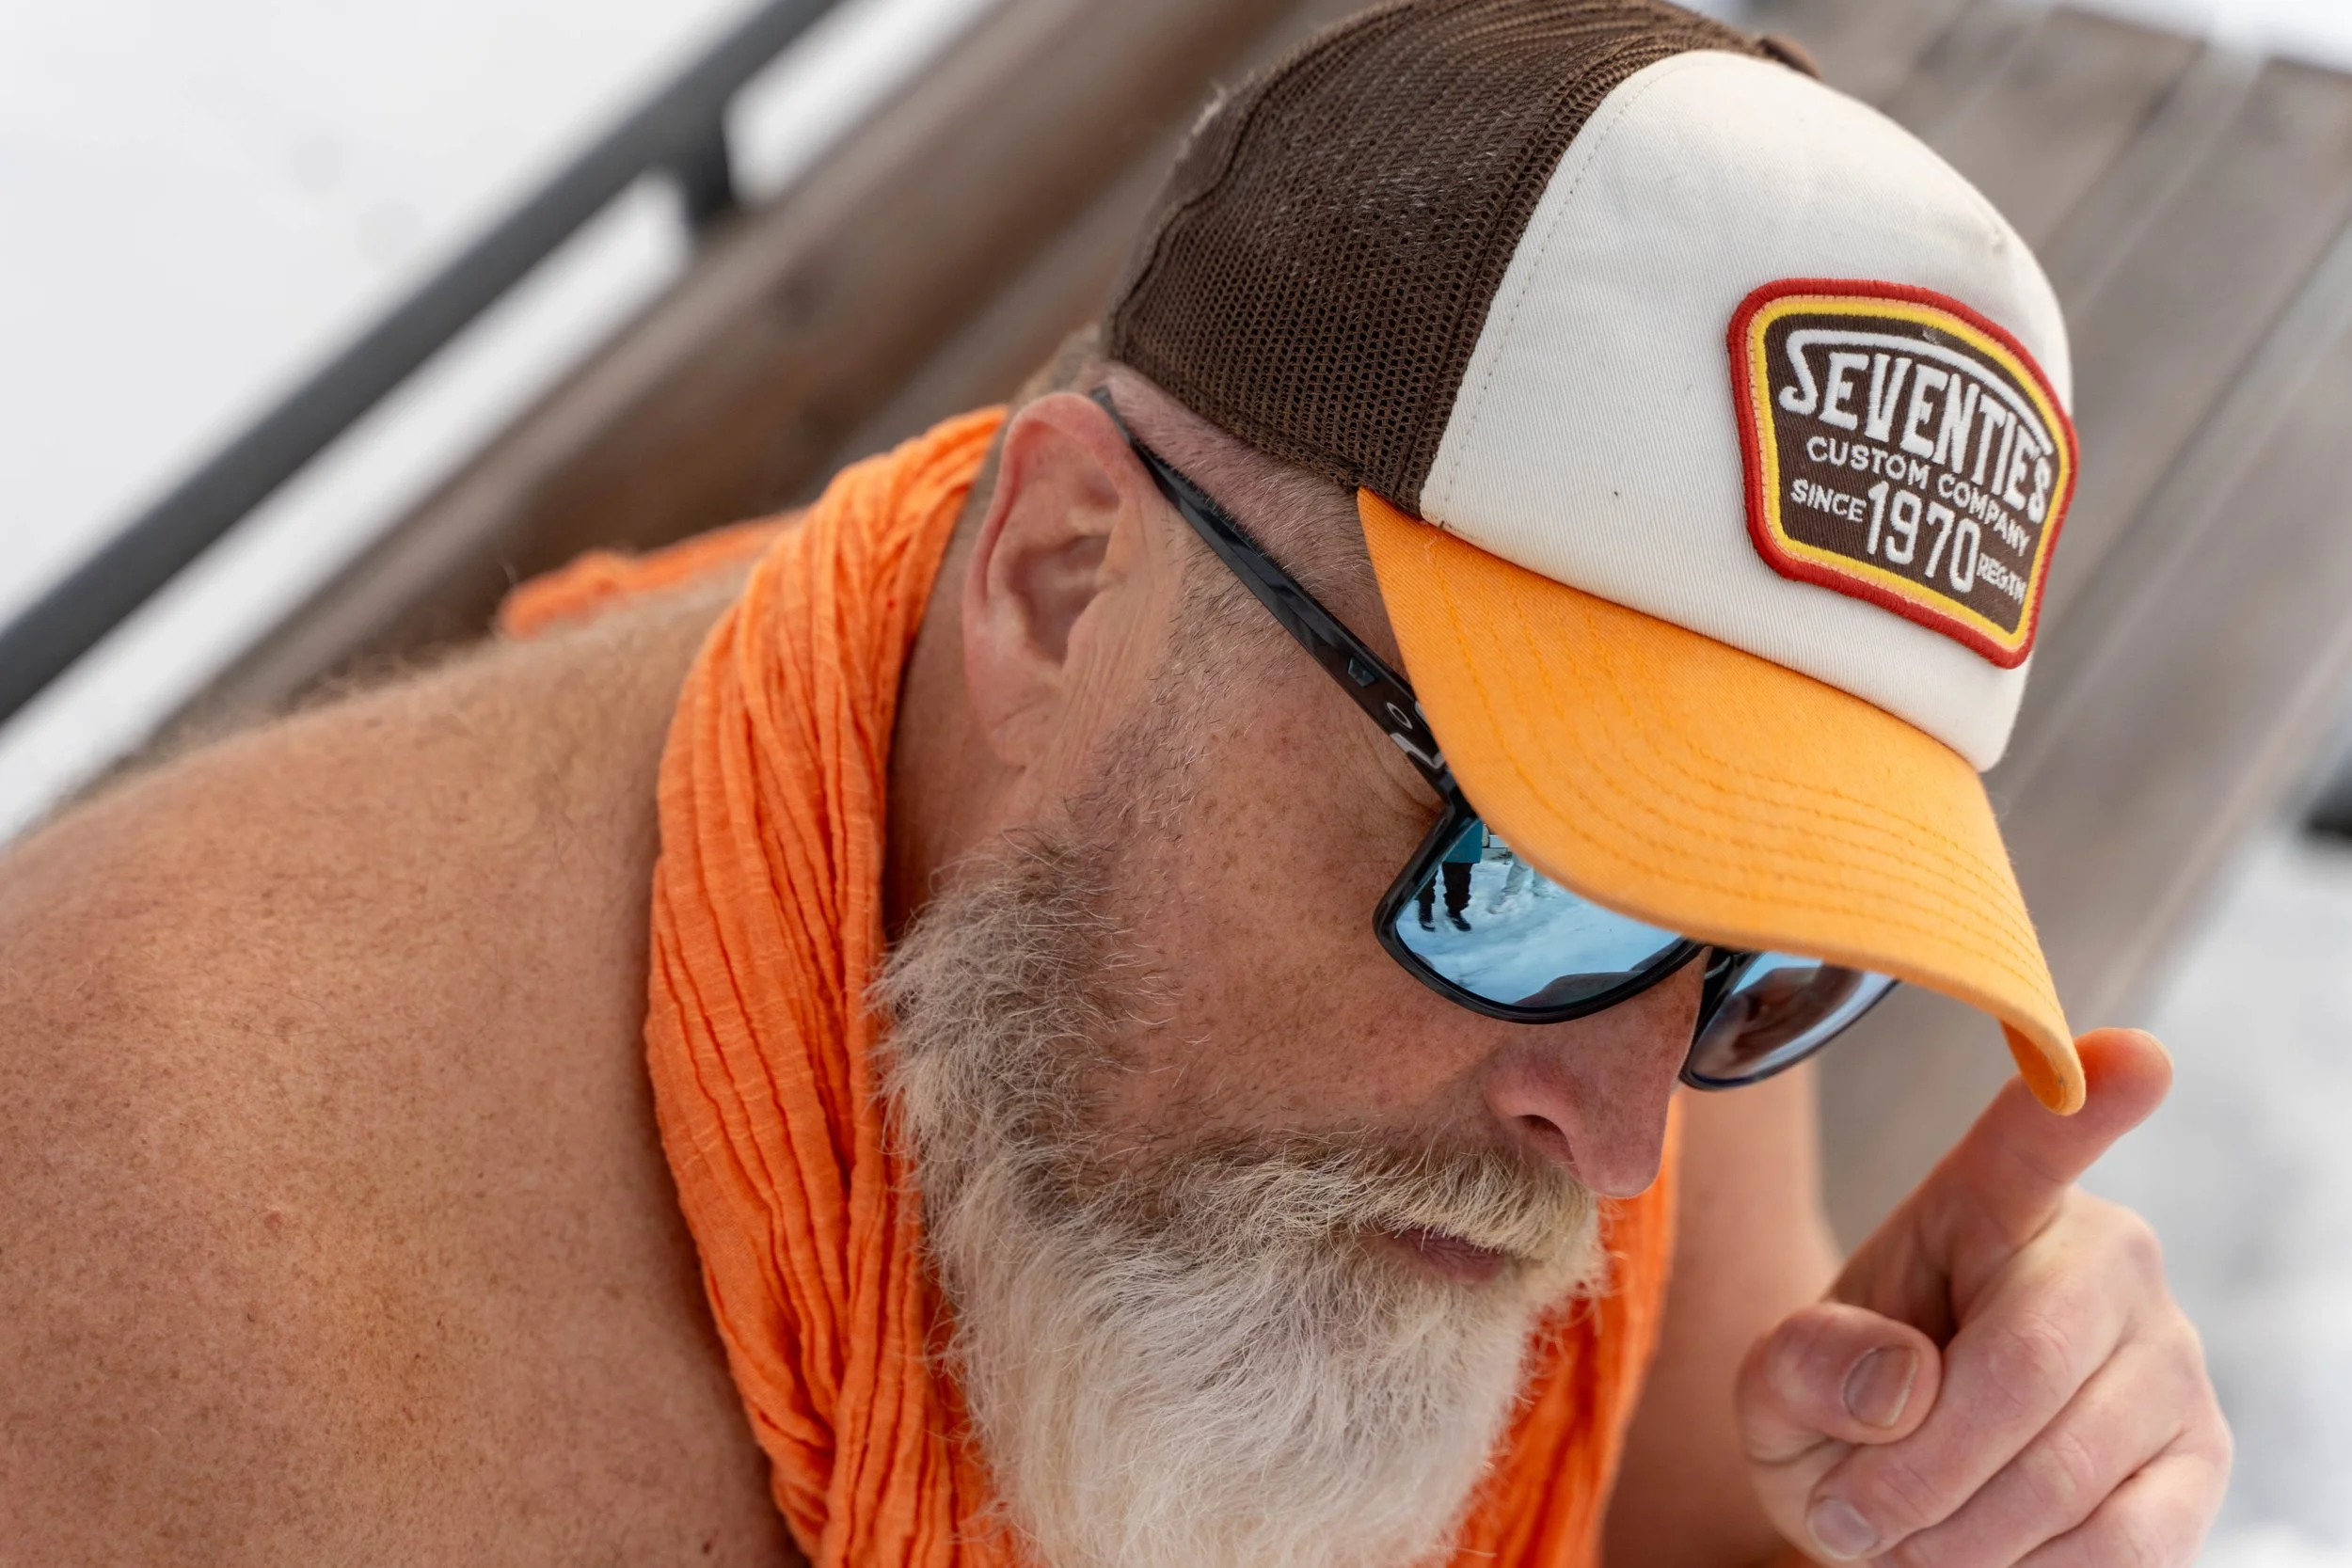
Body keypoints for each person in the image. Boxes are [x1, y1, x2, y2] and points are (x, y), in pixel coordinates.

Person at [0, 3, 2230, 1565]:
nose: (1628, 1138)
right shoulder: (189, 1305)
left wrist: (1905, 1511)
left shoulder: (1570, 1044)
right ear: (1062, 581)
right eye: (1530, 869)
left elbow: (1662, 1518)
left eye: (1763, 949)